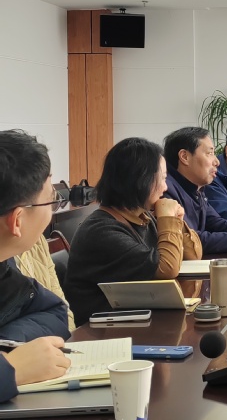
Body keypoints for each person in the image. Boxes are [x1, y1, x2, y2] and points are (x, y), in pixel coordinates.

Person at [65, 138, 201, 325]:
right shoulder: (101, 230)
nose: (166, 187)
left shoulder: (143, 217)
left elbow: (193, 256)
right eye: (162, 178)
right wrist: (167, 219)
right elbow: (167, 268)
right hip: (103, 330)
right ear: (140, 180)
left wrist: (176, 220)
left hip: (136, 318)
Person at [0, 130, 71, 402]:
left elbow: (55, 312)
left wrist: (8, 346)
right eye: (52, 200)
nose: (52, 212)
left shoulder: (5, 267)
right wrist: (11, 368)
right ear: (17, 220)